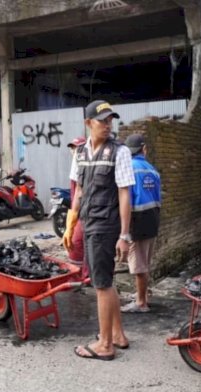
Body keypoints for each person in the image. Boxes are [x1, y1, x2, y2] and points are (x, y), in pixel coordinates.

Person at [64, 100, 134, 361]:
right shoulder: (80, 153)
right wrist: (71, 224)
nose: (107, 124)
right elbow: (79, 191)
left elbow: (125, 193)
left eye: (110, 120)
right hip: (89, 223)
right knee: (106, 281)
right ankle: (117, 335)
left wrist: (124, 235)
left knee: (101, 284)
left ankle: (105, 345)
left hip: (106, 225)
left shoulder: (120, 152)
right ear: (88, 123)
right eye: (102, 120)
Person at [120, 134, 161, 313]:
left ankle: (141, 303)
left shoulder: (128, 169)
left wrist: (123, 231)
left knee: (138, 266)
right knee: (145, 262)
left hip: (137, 221)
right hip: (152, 220)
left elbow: (125, 200)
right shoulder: (153, 170)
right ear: (144, 149)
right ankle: (142, 295)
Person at [65, 136, 88, 279]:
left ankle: (82, 276)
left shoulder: (85, 166)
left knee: (77, 243)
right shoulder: (75, 167)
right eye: (72, 148)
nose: (74, 150)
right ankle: (80, 275)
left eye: (77, 147)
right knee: (74, 242)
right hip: (76, 211)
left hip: (84, 212)